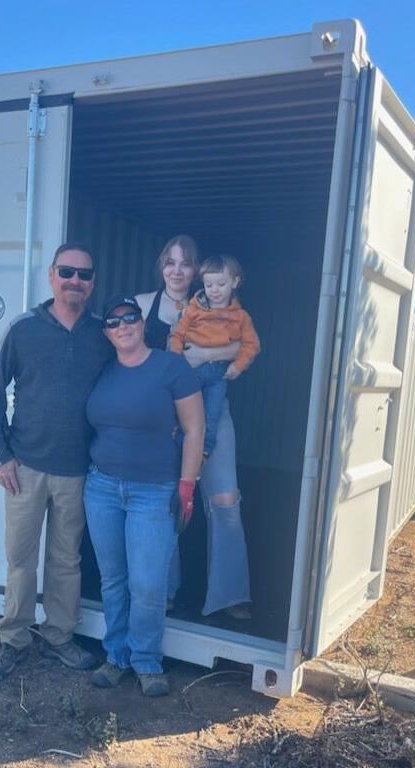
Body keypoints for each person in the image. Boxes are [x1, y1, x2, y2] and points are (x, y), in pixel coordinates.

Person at [0, 242, 114, 678]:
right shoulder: (23, 329)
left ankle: (59, 637)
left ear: (92, 283)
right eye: (68, 272)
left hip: (78, 471)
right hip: (26, 468)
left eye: (85, 274)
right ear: (52, 275)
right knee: (20, 559)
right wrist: (1, 458)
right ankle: (13, 639)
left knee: (65, 560)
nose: (76, 280)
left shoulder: (103, 335)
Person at [84, 295, 204, 696]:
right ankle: (116, 656)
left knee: (149, 584)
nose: (123, 326)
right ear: (107, 333)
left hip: (154, 492)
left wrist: (187, 486)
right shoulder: (101, 371)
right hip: (101, 487)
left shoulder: (171, 367)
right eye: (114, 322)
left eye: (130, 318)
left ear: (142, 323)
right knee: (113, 579)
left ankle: (147, 661)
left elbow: (194, 430)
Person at [136, 235, 252, 619]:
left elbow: (246, 344)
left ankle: (231, 595)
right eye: (170, 262)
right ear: (161, 266)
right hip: (164, 419)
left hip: (214, 413)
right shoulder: (141, 305)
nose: (177, 270)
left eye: (185, 264)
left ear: (198, 271)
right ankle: (165, 591)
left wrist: (204, 354)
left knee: (224, 501)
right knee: (165, 500)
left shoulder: (217, 303)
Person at [169, 255, 260, 458]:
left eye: (221, 284)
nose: (214, 290)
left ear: (235, 282)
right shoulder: (193, 309)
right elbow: (177, 336)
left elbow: (251, 344)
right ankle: (177, 450)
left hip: (219, 374)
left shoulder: (241, 317)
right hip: (191, 371)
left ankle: (204, 453)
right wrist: (177, 362)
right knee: (181, 413)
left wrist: (238, 365)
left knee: (212, 414)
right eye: (209, 285)